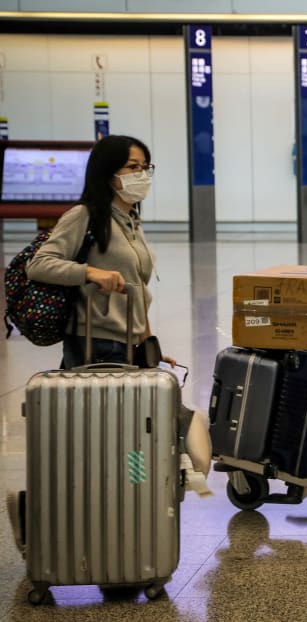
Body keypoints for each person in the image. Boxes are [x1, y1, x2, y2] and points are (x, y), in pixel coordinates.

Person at [6, 135, 211, 558]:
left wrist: (149, 343)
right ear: (107, 172)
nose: (140, 176)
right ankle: (40, 512)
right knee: (96, 446)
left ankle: (123, 527)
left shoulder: (130, 220)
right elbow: (39, 264)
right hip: (92, 347)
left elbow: (137, 291)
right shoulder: (85, 216)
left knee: (129, 446)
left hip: (129, 347)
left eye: (144, 167)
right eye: (131, 167)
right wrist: (90, 272)